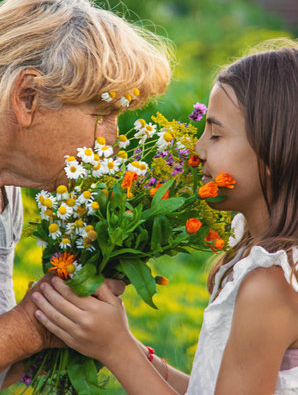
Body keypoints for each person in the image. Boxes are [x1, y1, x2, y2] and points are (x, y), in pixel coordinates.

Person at [32, 40, 298, 394]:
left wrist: (116, 349)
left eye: (216, 134)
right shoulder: (257, 259)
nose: (197, 150)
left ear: (272, 152)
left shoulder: (272, 284)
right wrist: (130, 348)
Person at [0, 0, 171, 389]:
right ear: (27, 97)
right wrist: (30, 327)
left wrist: (68, 326)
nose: (111, 138)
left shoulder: (9, 194)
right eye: (104, 111)